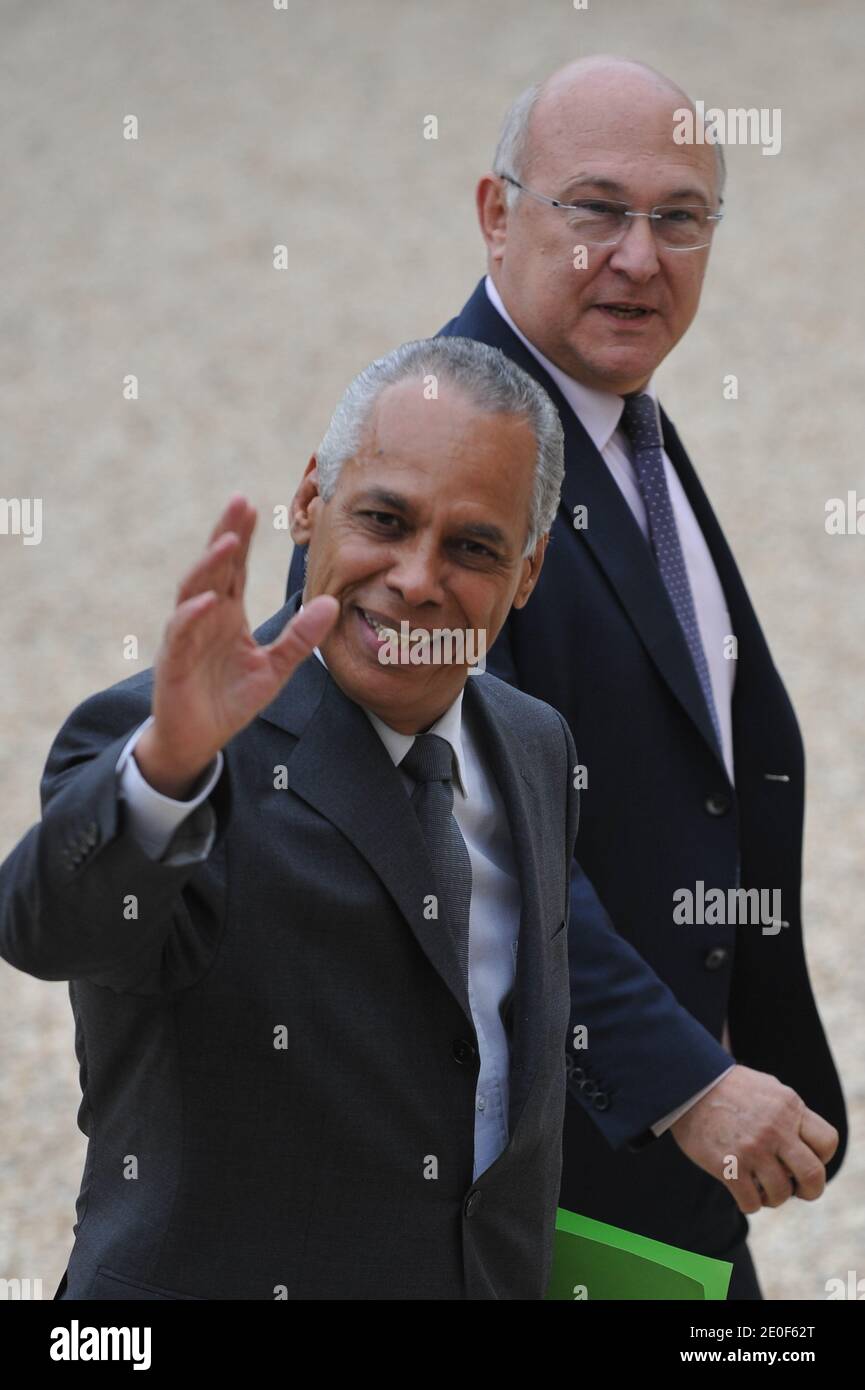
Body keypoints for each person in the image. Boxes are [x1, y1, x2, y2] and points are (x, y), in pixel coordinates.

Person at [288, 57, 847, 1301]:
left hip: (650, 1183)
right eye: (593, 208)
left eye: (679, 217)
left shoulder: (607, 410)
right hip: (515, 1187)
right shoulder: (439, 441)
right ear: (496, 212)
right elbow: (413, 810)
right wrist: (675, 1076)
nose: (639, 256)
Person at [0, 337, 584, 1300]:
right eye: (384, 519)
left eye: (473, 547)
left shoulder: (536, 745)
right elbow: (47, 929)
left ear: (527, 571)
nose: (415, 577)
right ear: (310, 502)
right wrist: (167, 768)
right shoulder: (165, 744)